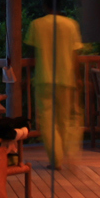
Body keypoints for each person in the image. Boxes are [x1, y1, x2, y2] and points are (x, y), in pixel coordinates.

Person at [26, 9, 84, 170]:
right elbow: (75, 55)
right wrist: (78, 77)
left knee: (47, 120)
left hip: (44, 78)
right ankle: (68, 153)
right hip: (66, 78)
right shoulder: (71, 24)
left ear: (44, 5)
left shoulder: (36, 24)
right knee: (64, 120)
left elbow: (31, 53)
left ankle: (56, 159)